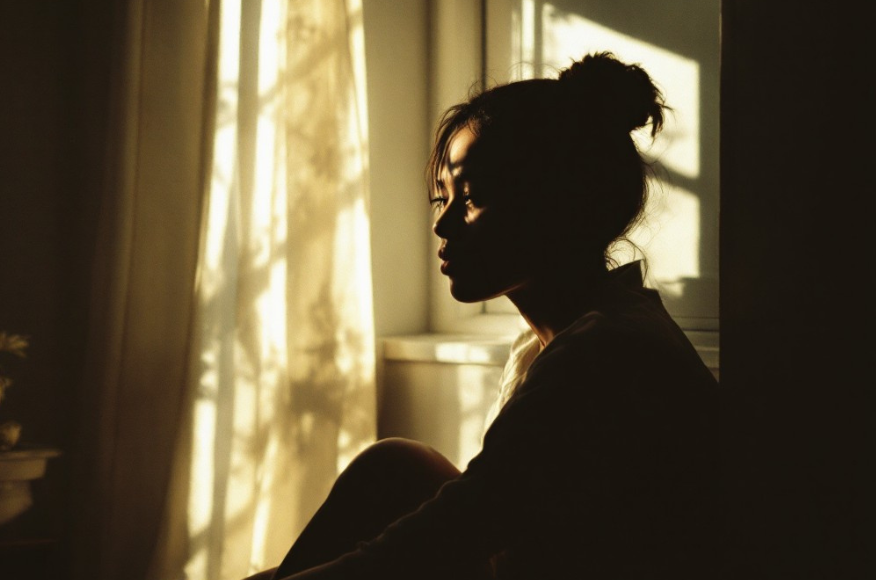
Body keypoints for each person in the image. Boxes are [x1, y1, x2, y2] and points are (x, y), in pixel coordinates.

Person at [249, 52, 718, 580]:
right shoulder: (554, 340)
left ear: (556, 202)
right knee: (397, 466)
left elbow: (456, 529)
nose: (442, 226)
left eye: (471, 198)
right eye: (440, 198)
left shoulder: (605, 352)